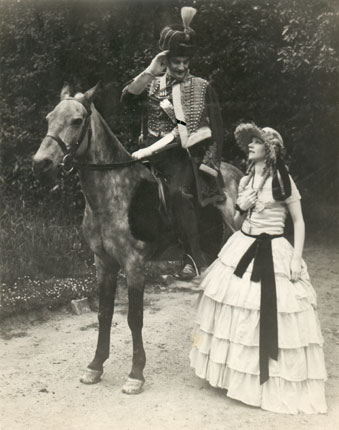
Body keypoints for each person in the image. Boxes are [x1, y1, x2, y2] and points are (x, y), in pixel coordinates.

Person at [190, 122, 327, 414]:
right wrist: (240, 206)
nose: (249, 146)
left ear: (270, 149)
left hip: (274, 248)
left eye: (256, 142)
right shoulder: (246, 180)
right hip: (244, 245)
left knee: (276, 313)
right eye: (249, 142)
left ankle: (267, 382)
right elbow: (238, 225)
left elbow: (299, 221)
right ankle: (237, 377)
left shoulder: (282, 180)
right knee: (237, 310)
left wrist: (295, 258)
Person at [121, 7, 225, 280]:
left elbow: (217, 129)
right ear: (166, 61)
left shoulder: (202, 87)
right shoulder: (151, 85)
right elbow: (126, 100)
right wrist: (149, 71)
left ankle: (193, 257)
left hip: (183, 158)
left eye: (184, 62)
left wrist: (209, 165)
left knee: (178, 194)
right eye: (175, 62)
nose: (181, 67)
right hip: (147, 155)